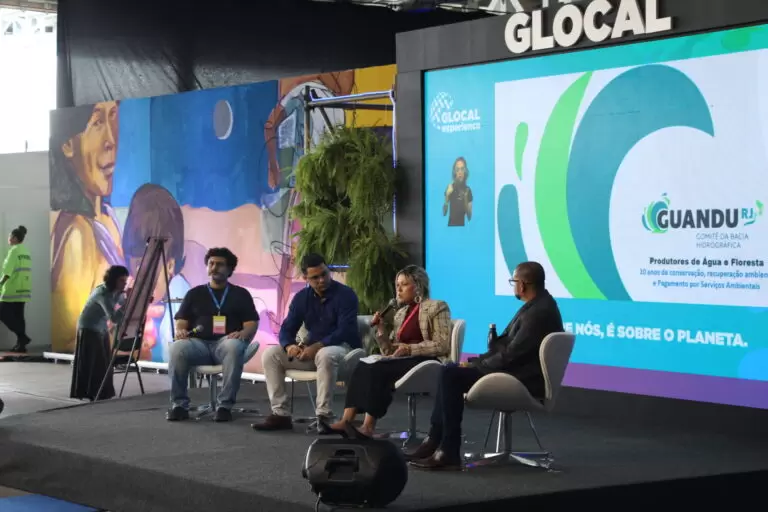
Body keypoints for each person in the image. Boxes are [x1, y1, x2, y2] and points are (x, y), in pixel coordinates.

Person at [406, 261, 564, 470]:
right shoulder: (539, 305)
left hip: (521, 378)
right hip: (515, 371)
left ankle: (447, 449)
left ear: (523, 284)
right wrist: (475, 362)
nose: (513, 286)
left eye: (513, 281)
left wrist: (476, 366)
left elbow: (511, 355)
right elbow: (508, 349)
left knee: (451, 375)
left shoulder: (539, 313)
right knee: (450, 370)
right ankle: (436, 442)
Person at [326, 265, 452, 438]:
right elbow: (389, 351)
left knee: (378, 368)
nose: (398, 290)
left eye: (404, 284)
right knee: (364, 364)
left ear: (418, 286)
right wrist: (381, 330)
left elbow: (442, 345)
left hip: (427, 360)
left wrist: (409, 349)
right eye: (397, 285)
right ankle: (346, 420)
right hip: (403, 360)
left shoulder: (436, 306)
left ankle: (368, 427)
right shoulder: (401, 314)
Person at [251, 253, 360, 431]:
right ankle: (281, 415)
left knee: (325, 354)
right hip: (313, 352)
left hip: (344, 349)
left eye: (324, 274)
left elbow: (345, 330)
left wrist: (317, 346)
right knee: (271, 355)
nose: (322, 280)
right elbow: (287, 328)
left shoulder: (346, 295)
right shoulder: (302, 297)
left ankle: (324, 417)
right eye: (315, 277)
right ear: (305, 278)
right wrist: (289, 345)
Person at [50, 101, 124, 354]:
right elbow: (68, 339)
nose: (111, 140)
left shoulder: (108, 219)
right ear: (68, 145)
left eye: (113, 117)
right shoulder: (78, 235)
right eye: (97, 123)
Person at [166, 247, 259, 423]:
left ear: (230, 269)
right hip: (198, 345)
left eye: (220, 264)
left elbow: (251, 323)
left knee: (234, 346)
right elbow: (181, 320)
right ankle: (179, 406)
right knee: (177, 348)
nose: (214, 267)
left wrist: (243, 333)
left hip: (225, 343)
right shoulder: (195, 293)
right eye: (211, 263)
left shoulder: (241, 294)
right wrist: (181, 330)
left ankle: (224, 406)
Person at [70, 265, 130, 402]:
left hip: (101, 328)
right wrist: (127, 304)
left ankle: (102, 393)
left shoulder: (116, 292)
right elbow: (114, 318)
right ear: (113, 279)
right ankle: (91, 392)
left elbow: (121, 307)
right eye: (121, 281)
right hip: (88, 327)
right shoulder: (102, 294)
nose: (124, 284)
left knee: (104, 362)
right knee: (94, 362)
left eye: (125, 281)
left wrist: (131, 300)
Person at [0, 226, 32, 352]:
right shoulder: (25, 252)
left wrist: (0, 284)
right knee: (19, 317)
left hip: (12, 290)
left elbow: (7, 272)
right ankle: (21, 345)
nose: (8, 238)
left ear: (14, 238)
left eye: (10, 236)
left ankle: (23, 337)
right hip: (23, 290)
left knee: (2, 312)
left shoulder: (13, 251)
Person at [442, 157, 473, 227]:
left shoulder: (468, 190)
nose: (460, 172)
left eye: (462, 169)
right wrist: (447, 196)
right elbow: (444, 213)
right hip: (450, 227)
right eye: (457, 169)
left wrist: (465, 198)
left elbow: (469, 217)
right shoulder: (450, 188)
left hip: (462, 229)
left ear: (465, 172)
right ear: (454, 172)